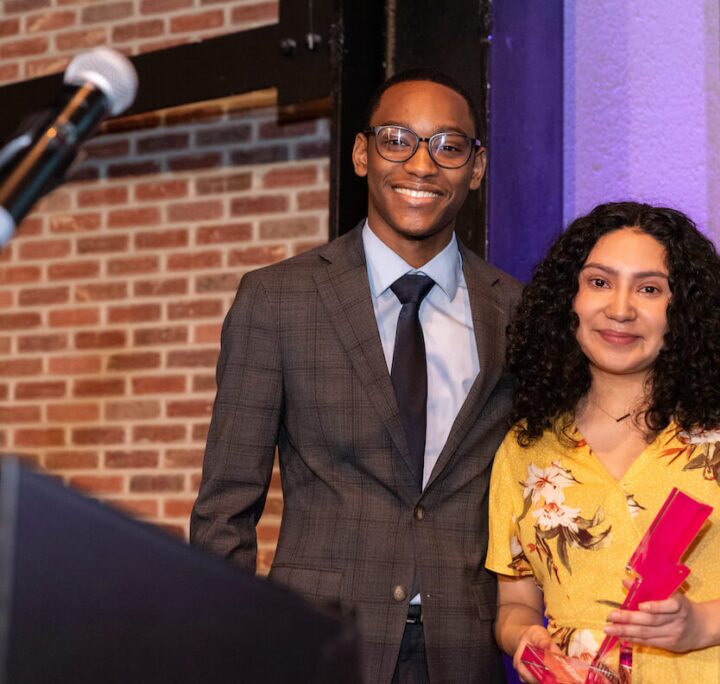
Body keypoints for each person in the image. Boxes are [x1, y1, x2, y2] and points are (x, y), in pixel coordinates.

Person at [191, 68, 520, 683]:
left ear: (475, 169)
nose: (422, 164)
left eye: (449, 146)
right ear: (362, 154)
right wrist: (222, 641)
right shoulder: (277, 299)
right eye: (398, 139)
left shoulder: (517, 312)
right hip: (319, 640)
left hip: (464, 648)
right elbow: (225, 507)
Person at [487, 202, 720, 683]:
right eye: (599, 282)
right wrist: (525, 641)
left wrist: (701, 624)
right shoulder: (527, 445)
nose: (619, 308)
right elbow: (515, 603)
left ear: (682, 311)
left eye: (649, 289)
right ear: (567, 300)